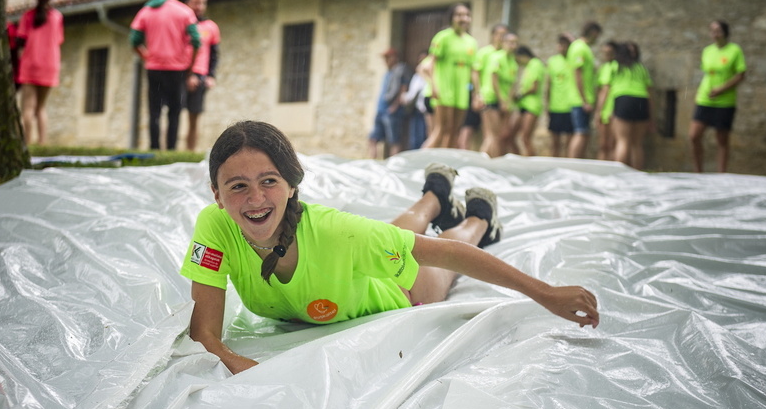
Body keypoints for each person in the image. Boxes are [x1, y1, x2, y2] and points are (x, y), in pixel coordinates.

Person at [180, 120, 600, 374]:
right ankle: (435, 195)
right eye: (238, 186)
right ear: (216, 194)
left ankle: (477, 217)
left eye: (268, 181)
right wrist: (242, 367)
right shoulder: (214, 227)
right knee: (391, 233)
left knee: (445, 244)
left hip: (404, 291)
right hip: (360, 256)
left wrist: (544, 293)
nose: (254, 199)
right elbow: (205, 335)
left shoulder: (336, 231)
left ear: (292, 186)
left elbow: (448, 256)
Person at [130, 0, 201, 150]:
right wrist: (190, 64)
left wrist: (147, 56)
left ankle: (154, 146)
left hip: (154, 68)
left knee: (154, 110)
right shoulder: (184, 11)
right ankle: (171, 147)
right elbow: (197, 41)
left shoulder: (146, 11)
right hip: (177, 69)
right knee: (174, 111)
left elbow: (134, 40)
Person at [689, 20, 746, 172]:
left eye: (718, 30)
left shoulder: (735, 50)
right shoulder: (707, 51)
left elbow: (740, 75)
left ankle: (721, 174)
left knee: (722, 139)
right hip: (705, 98)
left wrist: (721, 89)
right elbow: (708, 73)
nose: (714, 34)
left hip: (725, 101)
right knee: (694, 136)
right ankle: (698, 172)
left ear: (725, 32)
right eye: (712, 30)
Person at [422, 3, 477, 149]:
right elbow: (429, 65)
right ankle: (419, 163)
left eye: (466, 15)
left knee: (454, 131)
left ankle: (446, 164)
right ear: (452, 18)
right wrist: (433, 86)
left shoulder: (471, 42)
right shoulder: (443, 37)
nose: (463, 18)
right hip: (444, 89)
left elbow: (473, 70)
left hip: (461, 92)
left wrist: (478, 93)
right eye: (459, 15)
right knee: (441, 130)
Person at [17, 0, 64, 146]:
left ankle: (27, 142)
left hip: (30, 64)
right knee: (41, 107)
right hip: (50, 64)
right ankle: (42, 143)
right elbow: (58, 40)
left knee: (27, 108)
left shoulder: (27, 16)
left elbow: (20, 41)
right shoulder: (57, 17)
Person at [184, 0, 220, 152]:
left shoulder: (211, 26)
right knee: (173, 115)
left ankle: (189, 151)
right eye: (195, 3)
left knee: (194, 116)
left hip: (200, 75)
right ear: (187, 4)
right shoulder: (181, 24)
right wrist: (187, 74)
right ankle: (170, 150)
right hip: (180, 73)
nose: (199, 7)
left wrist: (211, 76)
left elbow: (214, 54)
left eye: (202, 3)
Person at [609, 42, 653, 169]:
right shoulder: (641, 68)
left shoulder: (615, 66)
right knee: (637, 143)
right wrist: (651, 117)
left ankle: (618, 173)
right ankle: (637, 174)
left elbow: (606, 90)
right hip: (641, 100)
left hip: (624, 99)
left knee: (622, 140)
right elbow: (649, 92)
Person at [566, 21, 603, 159]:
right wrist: (584, 100)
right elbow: (578, 74)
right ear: (593, 33)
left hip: (584, 99)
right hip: (580, 100)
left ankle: (578, 164)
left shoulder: (583, 48)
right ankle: (572, 166)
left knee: (584, 133)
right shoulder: (579, 48)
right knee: (580, 132)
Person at [471, 24, 508, 156]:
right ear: (493, 36)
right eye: (500, 34)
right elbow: (475, 73)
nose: (502, 38)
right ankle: (481, 163)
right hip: (488, 97)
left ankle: (491, 162)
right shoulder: (485, 52)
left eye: (505, 35)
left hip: (501, 99)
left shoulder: (505, 55)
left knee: (497, 136)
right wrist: (477, 94)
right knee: (491, 135)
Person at [368, 48, 412, 158]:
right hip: (381, 110)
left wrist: (394, 107)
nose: (386, 61)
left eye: (388, 58)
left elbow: (403, 89)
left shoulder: (401, 70)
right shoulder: (388, 73)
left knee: (394, 141)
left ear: (395, 58)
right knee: (373, 139)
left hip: (392, 112)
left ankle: (394, 166)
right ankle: (372, 164)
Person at [513, 45, 546, 157]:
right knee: (512, 135)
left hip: (531, 106)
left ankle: (532, 162)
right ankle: (518, 159)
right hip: (523, 105)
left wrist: (519, 95)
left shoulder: (535, 64)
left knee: (525, 137)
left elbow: (534, 86)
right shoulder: (528, 66)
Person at [545, 33, 575, 158]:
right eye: (560, 45)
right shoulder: (552, 61)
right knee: (554, 143)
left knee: (569, 143)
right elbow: (548, 85)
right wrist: (547, 104)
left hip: (570, 106)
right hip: (555, 107)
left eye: (565, 45)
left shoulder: (574, 60)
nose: (562, 48)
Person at [495, 33, 521, 155]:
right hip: (494, 99)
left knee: (504, 135)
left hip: (506, 102)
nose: (513, 45)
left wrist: (508, 102)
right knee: (493, 136)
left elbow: (512, 85)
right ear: (503, 43)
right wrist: (501, 100)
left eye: (515, 42)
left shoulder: (513, 63)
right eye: (510, 42)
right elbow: (493, 79)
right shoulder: (497, 58)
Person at [594, 41, 618, 161]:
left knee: (610, 145)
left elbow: (605, 90)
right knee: (604, 145)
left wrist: (598, 111)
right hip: (607, 109)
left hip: (612, 109)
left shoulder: (613, 67)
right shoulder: (604, 67)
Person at [402, 50, 431, 150]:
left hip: (427, 110)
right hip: (418, 110)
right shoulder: (417, 77)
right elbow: (412, 94)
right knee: (416, 138)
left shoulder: (433, 77)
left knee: (426, 136)